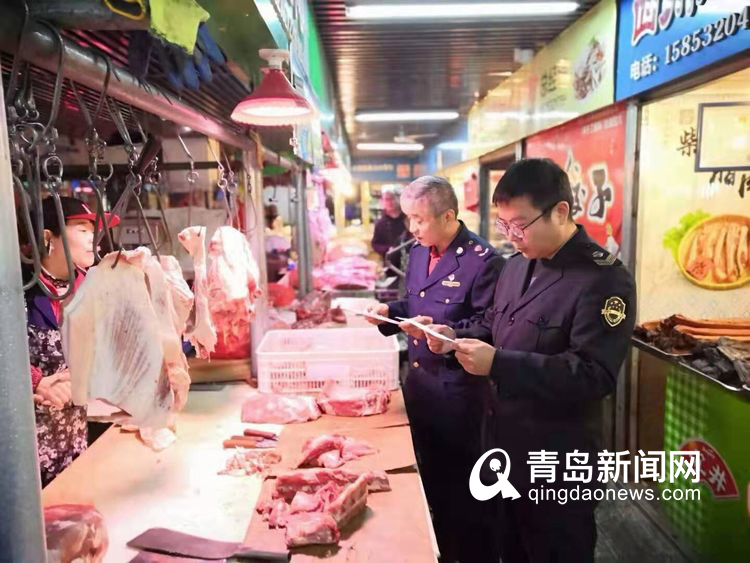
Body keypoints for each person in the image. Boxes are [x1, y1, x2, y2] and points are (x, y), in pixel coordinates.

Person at [426, 159, 636, 563]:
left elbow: (594, 374)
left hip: (556, 461)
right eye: (504, 225)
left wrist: (498, 364)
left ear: (560, 211)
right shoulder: (517, 265)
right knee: (510, 548)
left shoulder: (603, 279)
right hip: (503, 449)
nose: (511, 236)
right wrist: (452, 338)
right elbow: (494, 324)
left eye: (520, 225)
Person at [365, 176, 504, 563]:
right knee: (431, 482)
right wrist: (388, 312)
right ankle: (439, 548)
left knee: (466, 491)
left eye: (420, 219)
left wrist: (451, 334)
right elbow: (415, 306)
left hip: (459, 395)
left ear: (448, 216)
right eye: (408, 218)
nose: (412, 228)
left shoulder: (483, 261)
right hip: (420, 387)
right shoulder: (419, 252)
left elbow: (491, 326)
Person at [23, 196, 120, 486]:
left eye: (94, 231)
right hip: (21, 451)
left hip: (73, 443)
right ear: (47, 238)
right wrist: (35, 381)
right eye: (82, 229)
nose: (94, 239)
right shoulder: (18, 288)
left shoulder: (93, 288)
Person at [371, 187, 408, 271]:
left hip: (410, 261)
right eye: (386, 200)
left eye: (392, 198)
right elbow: (375, 244)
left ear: (398, 199)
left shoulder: (408, 219)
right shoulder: (380, 223)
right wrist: (388, 249)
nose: (389, 202)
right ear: (382, 202)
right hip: (391, 265)